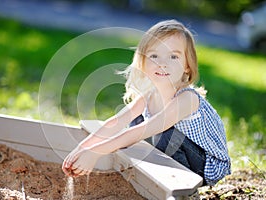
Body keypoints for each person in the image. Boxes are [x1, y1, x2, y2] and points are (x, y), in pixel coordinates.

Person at [62, 19, 231, 186]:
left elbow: (144, 131)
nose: (162, 63)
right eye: (154, 55)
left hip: (205, 166)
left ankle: (174, 185)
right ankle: (145, 174)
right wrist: (81, 149)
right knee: (134, 122)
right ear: (142, 62)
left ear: (187, 65)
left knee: (162, 133)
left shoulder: (187, 99)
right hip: (175, 150)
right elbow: (115, 122)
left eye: (173, 56)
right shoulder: (149, 95)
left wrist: (95, 152)